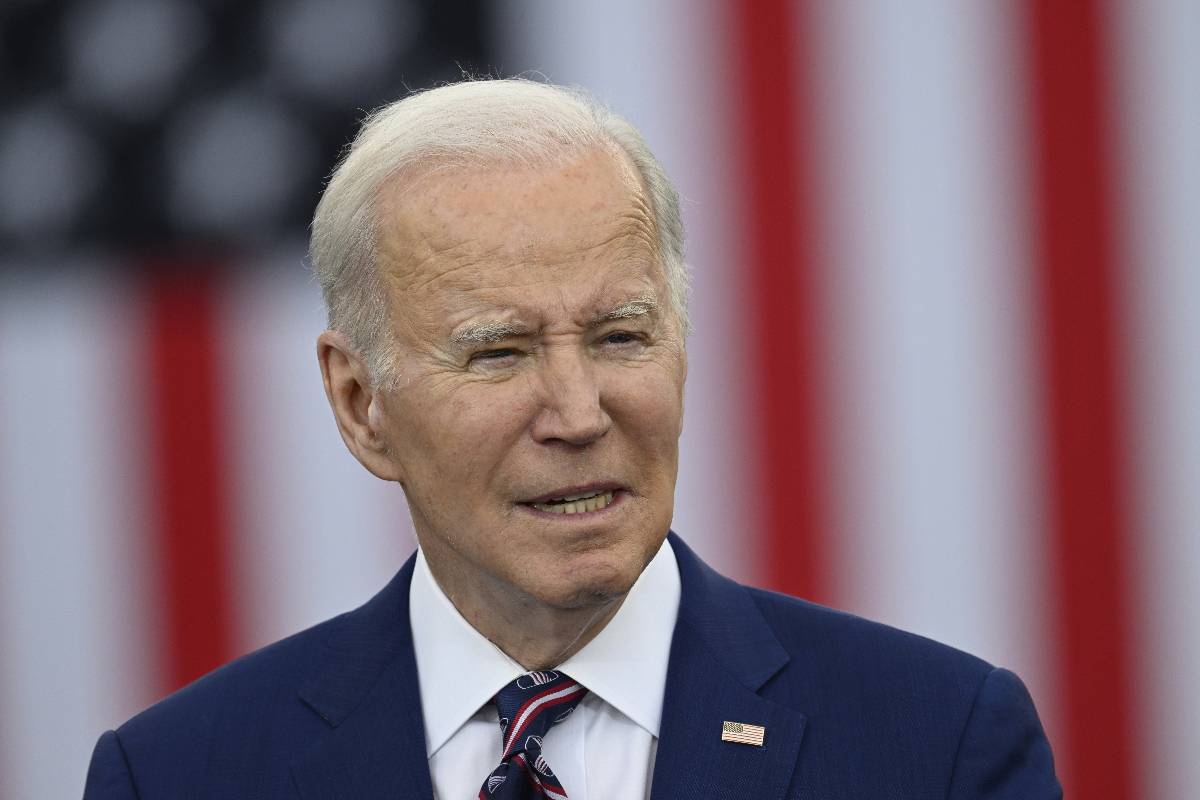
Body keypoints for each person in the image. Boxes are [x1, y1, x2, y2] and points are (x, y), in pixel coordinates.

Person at [84, 79, 1061, 799]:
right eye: (500, 351)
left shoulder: (938, 746)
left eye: (621, 336)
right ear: (358, 401)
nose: (580, 411)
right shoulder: (178, 773)